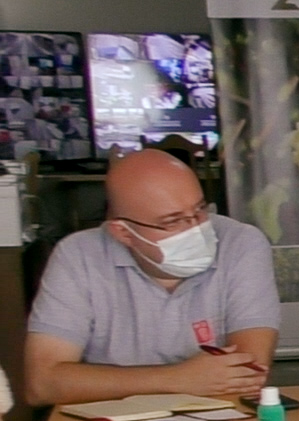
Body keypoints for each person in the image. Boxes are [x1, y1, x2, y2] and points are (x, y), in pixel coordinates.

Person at [24, 149, 278, 406]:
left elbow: (248, 373)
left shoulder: (240, 243)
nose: (196, 229)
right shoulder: (77, 256)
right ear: (124, 233)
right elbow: (42, 384)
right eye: (172, 222)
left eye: (200, 210)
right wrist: (176, 379)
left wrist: (106, 382)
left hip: (221, 418)